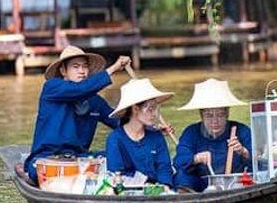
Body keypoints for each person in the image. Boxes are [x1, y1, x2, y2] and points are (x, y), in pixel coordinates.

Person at [23, 46, 131, 183]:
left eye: (85, 66)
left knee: (123, 155)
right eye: (76, 67)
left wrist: (146, 125)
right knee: (45, 171)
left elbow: (119, 122)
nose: (82, 71)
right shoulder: (52, 87)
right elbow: (80, 89)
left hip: (80, 159)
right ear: (63, 71)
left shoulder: (95, 101)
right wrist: (114, 68)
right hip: (47, 158)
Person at [173, 78, 252, 192]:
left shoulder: (241, 131)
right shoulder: (191, 132)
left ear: (227, 114)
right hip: (201, 184)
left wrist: (243, 151)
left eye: (220, 115)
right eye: (209, 115)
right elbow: (179, 161)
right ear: (201, 116)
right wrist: (196, 158)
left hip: (234, 183)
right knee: (181, 176)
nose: (215, 121)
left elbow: (259, 160)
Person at [104, 77, 176, 187]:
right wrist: (144, 184)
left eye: (155, 108)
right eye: (150, 109)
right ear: (135, 109)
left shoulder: (156, 136)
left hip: (158, 190)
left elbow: (164, 168)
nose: (154, 114)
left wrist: (165, 186)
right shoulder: (115, 139)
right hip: (129, 190)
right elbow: (116, 173)